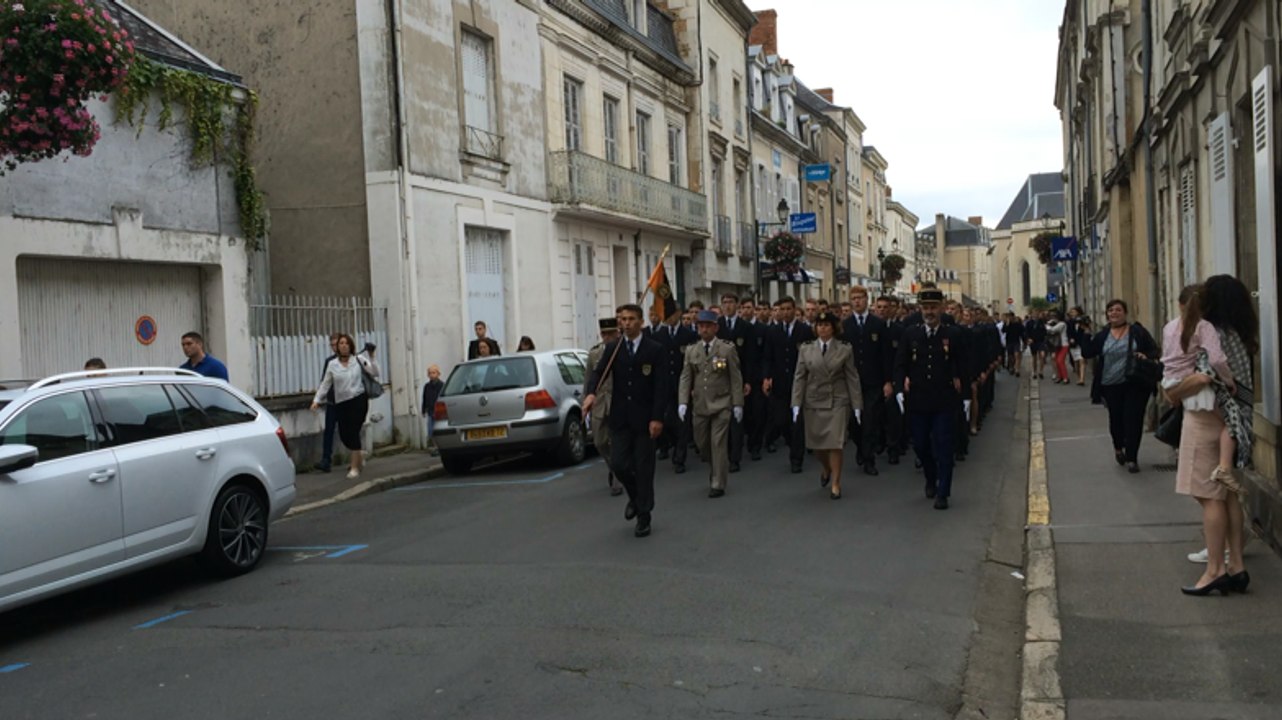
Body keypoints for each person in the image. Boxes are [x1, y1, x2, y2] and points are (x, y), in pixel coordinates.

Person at [1165, 275, 1258, 595]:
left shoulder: (1209, 333)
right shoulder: (1238, 334)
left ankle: (1215, 569)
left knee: (1208, 496)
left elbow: (1203, 377)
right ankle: (1236, 565)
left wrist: (1173, 391)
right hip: (1230, 424)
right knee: (1227, 494)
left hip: (1205, 419)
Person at [583, 304, 668, 538]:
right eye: (623, 319)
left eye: (631, 319)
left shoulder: (655, 349)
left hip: (645, 420)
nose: (626, 323)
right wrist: (591, 394)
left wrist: (657, 417)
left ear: (641, 322)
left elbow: (661, 387)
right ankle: (635, 497)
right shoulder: (614, 348)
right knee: (619, 464)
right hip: (620, 417)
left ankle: (644, 516)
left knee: (643, 468)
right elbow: (598, 373)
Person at [895, 288, 964, 509]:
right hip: (918, 399)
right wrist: (900, 386)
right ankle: (930, 477)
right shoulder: (911, 334)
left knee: (944, 445)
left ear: (941, 308)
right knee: (921, 445)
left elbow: (961, 363)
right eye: (926, 308)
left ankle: (943, 492)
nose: (929, 312)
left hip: (944, 399)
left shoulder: (952, 334)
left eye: (933, 307)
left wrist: (962, 388)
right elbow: (901, 363)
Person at [1083, 299, 1159, 473]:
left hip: (1135, 383)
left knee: (1134, 419)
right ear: (1107, 315)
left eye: (1118, 310)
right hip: (1110, 384)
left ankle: (1132, 458)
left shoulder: (1137, 331)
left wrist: (1145, 355)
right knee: (1116, 419)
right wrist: (1086, 333)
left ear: (1125, 313)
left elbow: (1154, 350)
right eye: (1110, 310)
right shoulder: (1103, 335)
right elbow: (1087, 352)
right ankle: (1118, 447)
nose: (1114, 313)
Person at [792, 312, 862, 499]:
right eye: (819, 325)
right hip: (814, 399)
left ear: (833, 328)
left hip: (837, 399)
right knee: (818, 445)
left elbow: (852, 377)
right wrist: (796, 403)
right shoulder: (806, 349)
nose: (822, 328)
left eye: (826, 325)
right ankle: (826, 468)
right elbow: (799, 377)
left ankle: (836, 483)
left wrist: (857, 404)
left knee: (835, 443)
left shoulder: (844, 349)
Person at [680, 310, 744, 498]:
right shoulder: (692, 350)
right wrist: (682, 401)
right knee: (702, 442)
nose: (704, 329)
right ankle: (716, 466)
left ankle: (718, 482)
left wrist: (737, 403)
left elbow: (735, 377)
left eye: (708, 326)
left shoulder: (726, 349)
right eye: (701, 326)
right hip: (700, 404)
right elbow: (686, 377)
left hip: (721, 403)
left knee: (718, 442)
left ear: (716, 328)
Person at [311, 334, 380, 479]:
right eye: (341, 343)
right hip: (341, 402)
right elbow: (325, 384)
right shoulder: (332, 364)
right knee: (345, 436)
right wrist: (317, 400)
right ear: (337, 347)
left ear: (351, 346)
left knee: (353, 431)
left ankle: (354, 468)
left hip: (358, 400)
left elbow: (375, 372)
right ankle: (359, 453)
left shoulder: (359, 360)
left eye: (346, 343)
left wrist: (372, 356)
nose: (343, 346)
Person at [840, 285, 892, 476]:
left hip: (873, 381)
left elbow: (885, 354)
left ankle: (869, 459)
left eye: (860, 298)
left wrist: (888, 381)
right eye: (854, 298)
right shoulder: (845, 325)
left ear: (867, 299)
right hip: (851, 381)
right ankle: (861, 447)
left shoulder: (877, 324)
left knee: (870, 420)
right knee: (854, 422)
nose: (857, 301)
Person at [763, 297, 815, 473]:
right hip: (779, 383)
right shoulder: (773, 331)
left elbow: (811, 357)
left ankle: (796, 458)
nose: (785, 312)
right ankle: (792, 442)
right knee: (781, 420)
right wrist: (766, 377)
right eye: (782, 309)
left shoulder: (805, 331)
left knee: (797, 422)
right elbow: (768, 357)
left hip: (799, 383)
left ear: (794, 310)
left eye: (788, 309)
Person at [585, 317, 624, 496]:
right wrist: (586, 402)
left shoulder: (624, 350)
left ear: (617, 333)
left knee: (617, 441)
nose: (607, 337)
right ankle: (613, 466)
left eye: (611, 334)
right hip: (600, 403)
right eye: (604, 334)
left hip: (619, 402)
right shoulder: (594, 354)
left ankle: (617, 476)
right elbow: (589, 380)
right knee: (600, 441)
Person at [717, 293, 754, 473]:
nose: (727, 306)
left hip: (738, 377)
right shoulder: (717, 325)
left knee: (736, 418)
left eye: (731, 302)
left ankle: (735, 458)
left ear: (737, 305)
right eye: (724, 303)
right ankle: (725, 452)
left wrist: (748, 380)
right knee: (722, 419)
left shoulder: (745, 327)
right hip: (720, 378)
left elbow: (750, 357)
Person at [315, 333, 342, 473]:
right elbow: (324, 381)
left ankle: (357, 458)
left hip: (346, 402)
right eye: (331, 345)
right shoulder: (330, 361)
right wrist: (318, 399)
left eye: (336, 344)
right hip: (332, 401)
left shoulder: (350, 360)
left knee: (349, 431)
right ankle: (326, 460)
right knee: (329, 431)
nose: (334, 347)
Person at [420, 364, 445, 457]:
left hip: (439, 412)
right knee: (431, 431)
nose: (431, 375)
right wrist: (423, 409)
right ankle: (435, 447)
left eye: (434, 373)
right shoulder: (427, 386)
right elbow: (424, 398)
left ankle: (440, 447)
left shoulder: (441, 385)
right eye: (430, 373)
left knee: (439, 430)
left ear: (438, 374)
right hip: (430, 411)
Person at [1045, 311, 1070, 384]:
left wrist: (1047, 325)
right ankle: (1060, 376)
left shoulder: (1062, 324)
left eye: (1054, 316)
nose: (1053, 318)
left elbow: (1053, 330)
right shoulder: (1057, 323)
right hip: (1057, 344)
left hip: (1064, 344)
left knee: (1060, 361)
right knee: (1057, 361)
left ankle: (1065, 378)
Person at [1025, 312, 1047, 379]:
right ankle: (1034, 372)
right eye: (1034, 314)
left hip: (1041, 341)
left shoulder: (1041, 322)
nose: (1035, 315)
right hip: (1033, 342)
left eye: (1036, 314)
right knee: (1034, 357)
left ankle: (1041, 371)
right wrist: (1028, 339)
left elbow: (1045, 331)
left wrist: (1044, 338)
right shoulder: (1029, 323)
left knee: (1042, 355)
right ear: (1031, 315)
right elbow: (1026, 332)